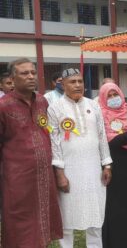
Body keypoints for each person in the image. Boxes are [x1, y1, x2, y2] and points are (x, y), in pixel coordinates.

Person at [0, 58, 62, 247]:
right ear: (12, 78)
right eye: (24, 73)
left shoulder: (42, 101)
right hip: (16, 179)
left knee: (43, 224)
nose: (31, 77)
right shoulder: (4, 106)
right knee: (19, 226)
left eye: (33, 73)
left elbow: (47, 132)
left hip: (43, 176)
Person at [48, 68, 113, 248]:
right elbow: (54, 142)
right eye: (72, 82)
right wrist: (60, 174)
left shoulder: (93, 105)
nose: (77, 85)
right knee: (67, 218)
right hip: (70, 171)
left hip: (93, 170)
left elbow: (102, 136)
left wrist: (106, 164)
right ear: (62, 84)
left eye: (80, 81)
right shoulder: (55, 108)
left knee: (95, 215)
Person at [99, 83, 127, 247]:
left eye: (115, 94)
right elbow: (106, 145)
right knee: (113, 204)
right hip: (111, 164)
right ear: (103, 98)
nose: (113, 99)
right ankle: (114, 241)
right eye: (109, 96)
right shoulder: (100, 115)